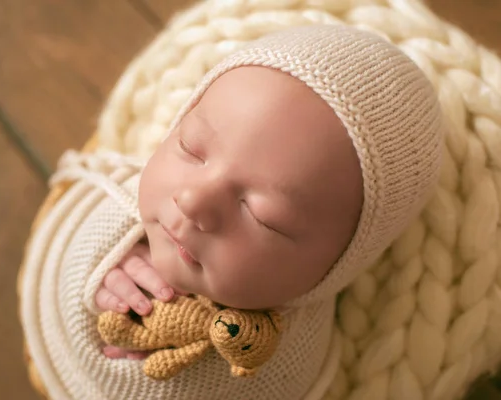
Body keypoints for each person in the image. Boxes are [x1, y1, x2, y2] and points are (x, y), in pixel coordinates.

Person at [32, 24, 444, 399]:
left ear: (337, 267)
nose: (193, 201)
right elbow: (80, 240)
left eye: (264, 216)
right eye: (191, 148)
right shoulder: (120, 206)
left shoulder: (284, 363)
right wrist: (108, 263)